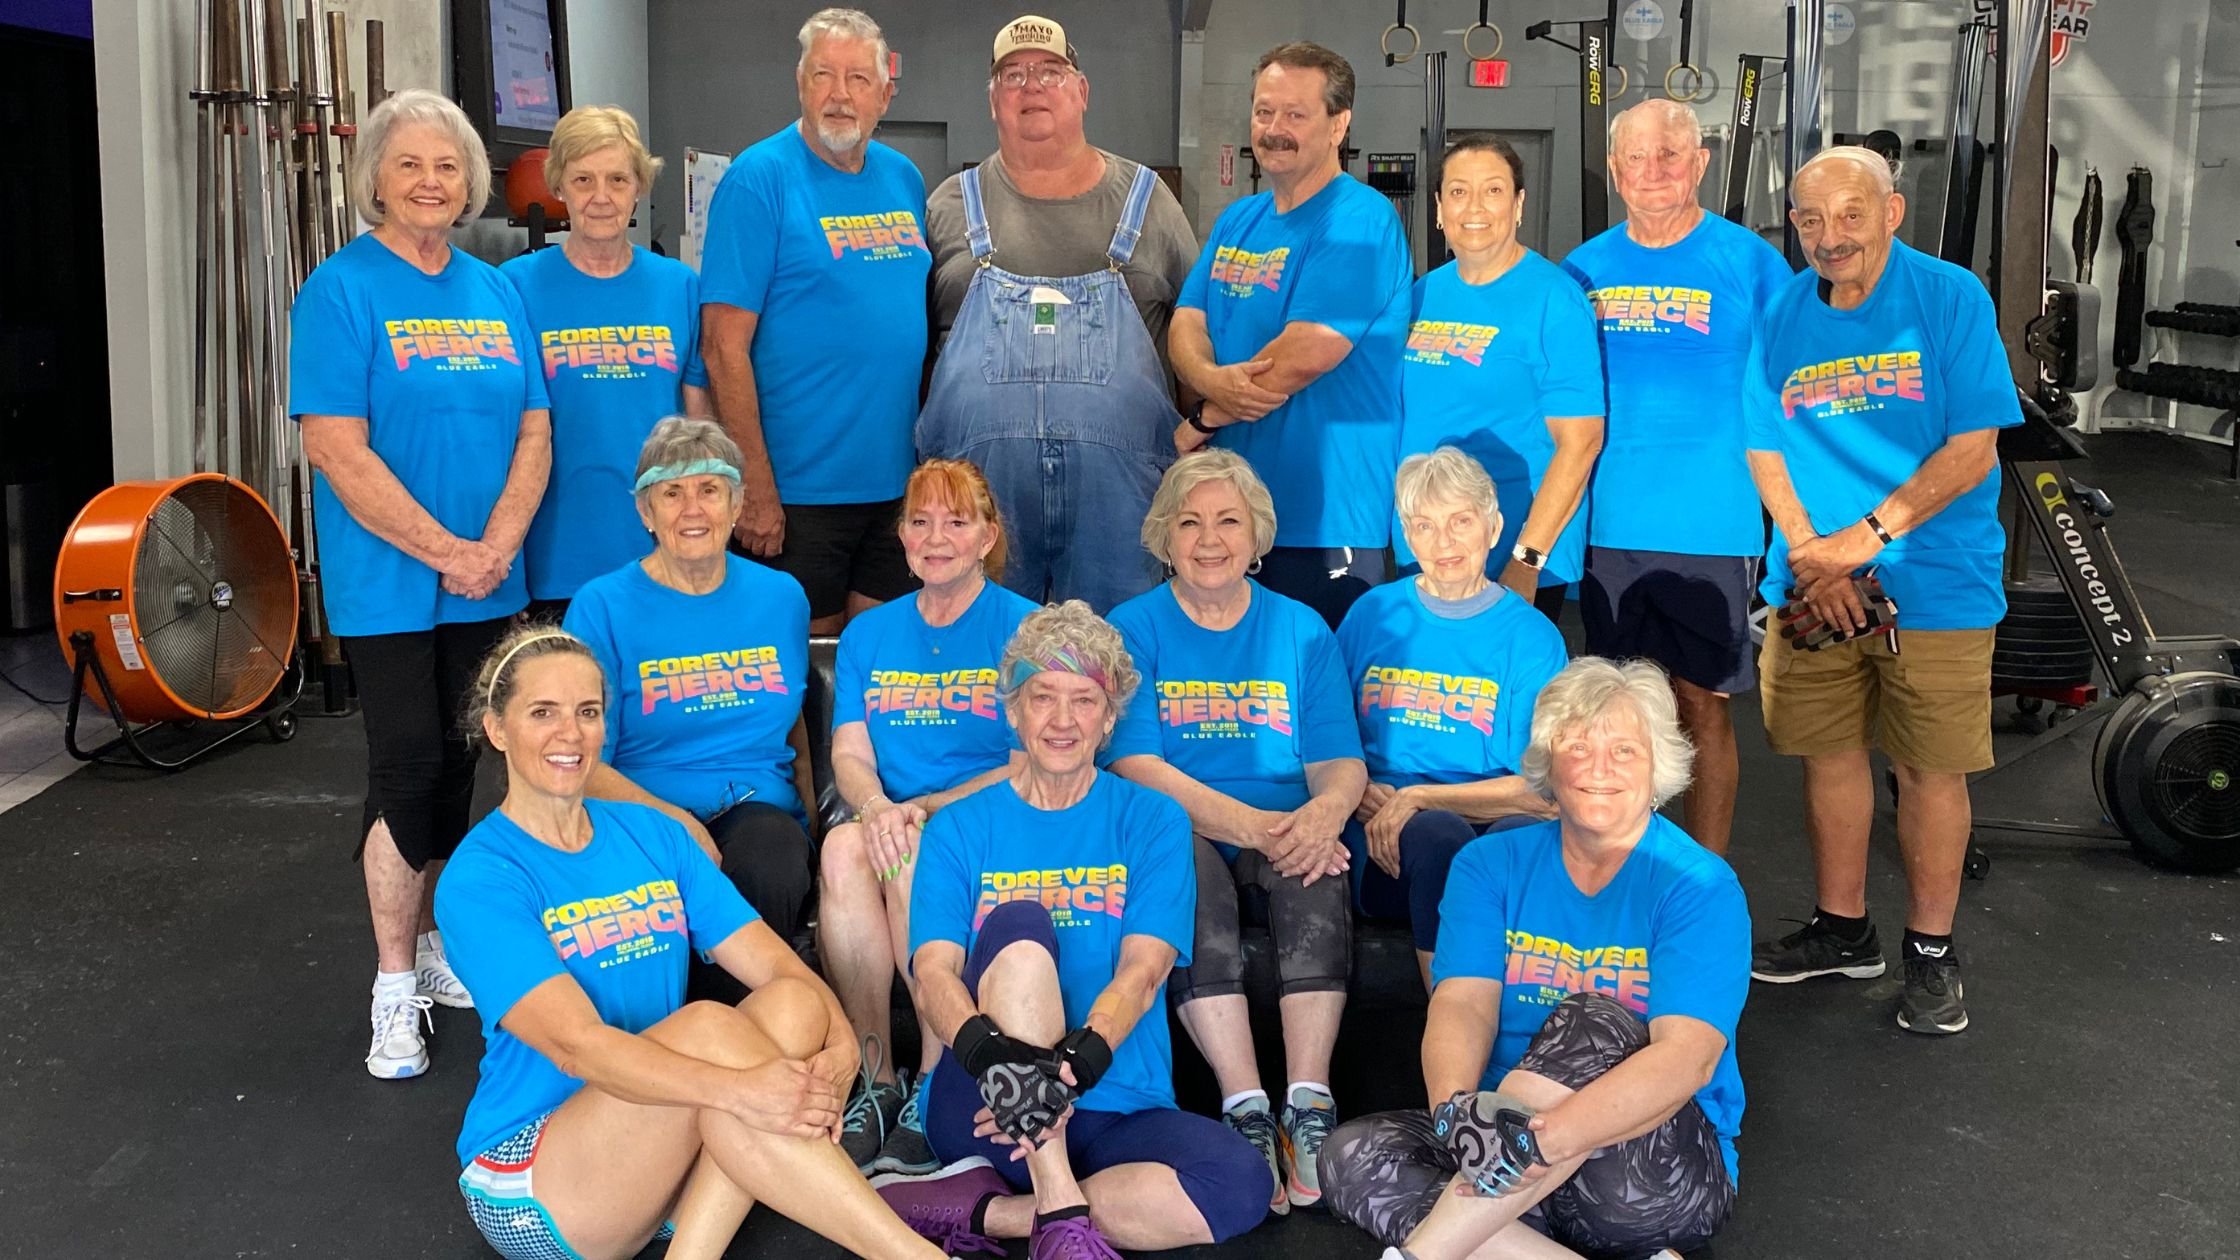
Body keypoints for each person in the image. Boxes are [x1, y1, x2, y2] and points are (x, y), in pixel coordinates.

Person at [433, 626, 954, 1260]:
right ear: (497, 728)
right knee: (712, 1035)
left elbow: (778, 968)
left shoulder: (654, 835)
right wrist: (746, 1089)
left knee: (795, 1007)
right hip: (538, 1175)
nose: (569, 734)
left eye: (588, 712)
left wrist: (843, 1043)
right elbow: (580, 1050)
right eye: (543, 712)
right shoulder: (481, 877)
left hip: (665, 1149)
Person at [875, 601, 1272, 1258]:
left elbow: (1143, 973)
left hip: (1112, 1095)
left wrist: (1069, 1073)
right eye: (1042, 698)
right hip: (983, 1103)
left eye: (1084, 701)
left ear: (1110, 715)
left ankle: (983, 1213)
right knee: (1021, 926)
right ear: (1012, 708)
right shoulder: (960, 827)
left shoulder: (1152, 820)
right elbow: (933, 974)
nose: (1063, 721)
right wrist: (1002, 1072)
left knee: (1239, 1184)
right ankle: (1061, 1210)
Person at [1318, 658, 1750, 1260]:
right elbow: (1462, 1004)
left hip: (1639, 1177)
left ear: (1659, 768)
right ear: (1549, 764)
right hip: (1502, 1153)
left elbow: (1688, 1060)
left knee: (1590, 1020)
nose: (1599, 769)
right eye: (1577, 748)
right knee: (1352, 1157)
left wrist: (1534, 1146)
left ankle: (1428, 1254)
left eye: (1624, 751)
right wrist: (1456, 1115)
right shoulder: (1488, 866)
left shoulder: (1696, 884)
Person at [290, 87, 551, 1080]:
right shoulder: (340, 291)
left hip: (490, 574)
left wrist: (498, 543)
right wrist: (450, 550)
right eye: (409, 165)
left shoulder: (498, 291)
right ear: (376, 184)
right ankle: (392, 983)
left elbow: (535, 428)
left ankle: (437, 948)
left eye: (447, 166)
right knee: (403, 764)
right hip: (392, 585)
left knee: (460, 767)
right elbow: (337, 450)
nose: (430, 182)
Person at [1742, 146, 2021, 1036]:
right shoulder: (1784, 310)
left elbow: (1974, 449)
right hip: (1814, 585)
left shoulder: (1948, 299)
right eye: (1813, 220)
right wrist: (1808, 554)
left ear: (1892, 213)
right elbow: (1763, 446)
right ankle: (1842, 928)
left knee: (1927, 769)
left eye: (1852, 215)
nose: (1832, 237)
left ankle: (1931, 953)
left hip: (1933, 587)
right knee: (1829, 755)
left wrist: (1863, 542)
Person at [1105, 450, 1365, 1216]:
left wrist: (1321, 818)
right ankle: (1246, 1105)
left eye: (1228, 522)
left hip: (1288, 824)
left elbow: (1340, 762)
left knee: (1316, 874)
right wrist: (1256, 825)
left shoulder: (1301, 629)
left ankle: (1308, 1105)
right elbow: (1137, 763)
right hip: (1180, 824)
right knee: (1188, 884)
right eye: (1190, 522)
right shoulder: (1133, 628)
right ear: (1164, 538)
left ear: (1257, 540)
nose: (1209, 539)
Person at [1563, 99, 1793, 856]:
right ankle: (1625, 867)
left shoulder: (1751, 263)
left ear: (1699, 165)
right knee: (1615, 715)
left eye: (1670, 156)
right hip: (1606, 528)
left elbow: (1794, 392)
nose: (1653, 170)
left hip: (1712, 527)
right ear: (1615, 169)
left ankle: (1705, 876)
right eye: (1637, 157)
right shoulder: (1583, 268)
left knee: (1701, 707)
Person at [918, 14, 1200, 612]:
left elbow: (1200, 336)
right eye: (1013, 75)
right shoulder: (948, 206)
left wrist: (1199, 429)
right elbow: (909, 351)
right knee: (984, 665)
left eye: (1050, 72)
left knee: (1115, 664)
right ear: (993, 98)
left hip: (1121, 507)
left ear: (1081, 91)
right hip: (975, 504)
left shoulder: (1149, 203)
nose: (1032, 86)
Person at [818, 459, 1039, 1175]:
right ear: (902, 536)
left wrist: (921, 811)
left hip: (988, 818)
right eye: (919, 520)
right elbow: (849, 751)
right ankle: (876, 1076)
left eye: (956, 520)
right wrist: (880, 805)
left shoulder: (1024, 629)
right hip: (892, 816)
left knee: (909, 852)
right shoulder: (868, 634)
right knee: (841, 852)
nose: (935, 536)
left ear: (987, 536)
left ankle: (937, 1076)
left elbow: (1031, 759)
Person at [700, 7, 930, 634]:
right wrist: (755, 488)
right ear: (800, 83)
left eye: (858, 79)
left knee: (874, 670)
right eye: (823, 75)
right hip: (798, 494)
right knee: (799, 683)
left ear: (885, 93)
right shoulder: (758, 180)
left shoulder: (904, 179)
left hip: (893, 489)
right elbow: (723, 348)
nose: (839, 94)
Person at [1170, 41, 1412, 628]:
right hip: (1231, 522)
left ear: (1339, 125)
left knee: (1320, 701)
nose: (1275, 129)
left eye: (1295, 115)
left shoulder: (1361, 219)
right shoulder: (1238, 219)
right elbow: (1185, 325)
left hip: (1325, 523)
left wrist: (1203, 418)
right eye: (1264, 112)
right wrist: (1206, 385)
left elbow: (1304, 354)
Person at [562, 419, 818, 974]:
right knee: (658, 878)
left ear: (737, 504)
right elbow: (581, 757)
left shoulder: (782, 598)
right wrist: (676, 823)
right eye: (671, 493)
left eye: (709, 490)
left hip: (758, 811)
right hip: (641, 810)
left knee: (769, 860)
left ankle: (753, 1023)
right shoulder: (601, 606)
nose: (692, 509)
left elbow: (795, 719)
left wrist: (813, 822)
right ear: (645, 511)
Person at [1335, 448, 1570, 992]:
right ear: (1406, 537)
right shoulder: (1372, 615)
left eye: (1461, 522)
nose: (1443, 544)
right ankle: (1453, 1038)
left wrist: (1417, 797)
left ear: (1494, 528)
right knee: (1441, 838)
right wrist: (1356, 785)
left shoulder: (1531, 638)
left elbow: (1541, 794)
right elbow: (1324, 739)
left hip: (1476, 820)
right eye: (1425, 526)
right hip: (1386, 843)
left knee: (1516, 842)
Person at [503, 105, 710, 617]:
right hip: (554, 547)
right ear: (558, 187)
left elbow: (698, 420)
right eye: (583, 179)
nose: (601, 197)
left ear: (639, 185)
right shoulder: (515, 286)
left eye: (617, 179)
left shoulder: (678, 285)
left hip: (658, 546)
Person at [1400, 135, 1603, 621]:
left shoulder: (1555, 298)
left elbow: (1581, 442)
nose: (1474, 207)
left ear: (1518, 205)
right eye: (1458, 191)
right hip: (1428, 549)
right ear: (1438, 208)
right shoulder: (1422, 294)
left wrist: (1526, 559)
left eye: (1492, 191)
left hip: (1508, 549)